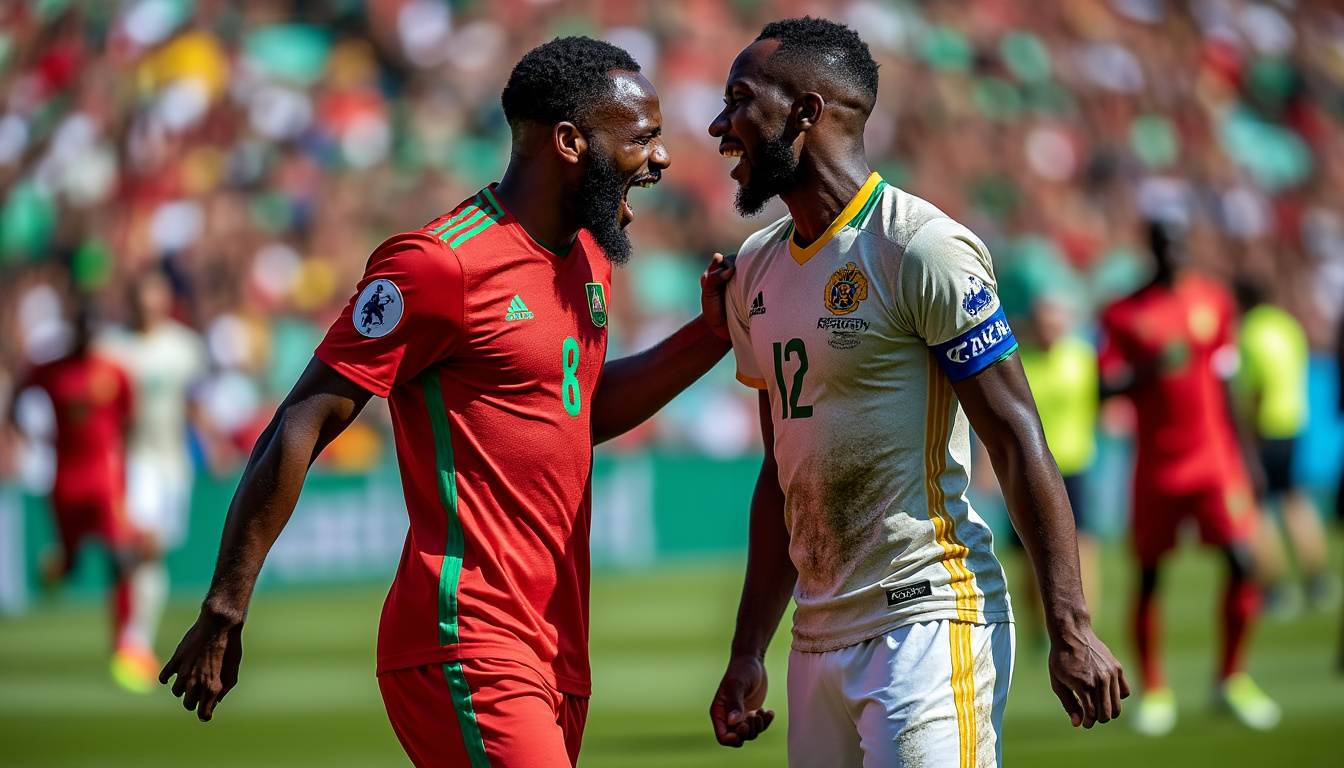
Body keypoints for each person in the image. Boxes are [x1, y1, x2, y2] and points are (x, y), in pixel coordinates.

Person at [158, 37, 735, 767]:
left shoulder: (587, 256)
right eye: (643, 139)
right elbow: (304, 415)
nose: (661, 160)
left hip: (556, 643)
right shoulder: (439, 266)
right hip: (466, 638)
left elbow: (575, 413)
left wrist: (710, 336)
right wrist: (225, 602)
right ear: (568, 141)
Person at [705, 18, 1126, 768]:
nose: (719, 123)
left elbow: (1014, 433)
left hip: (927, 621)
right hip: (814, 636)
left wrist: (1071, 625)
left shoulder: (919, 248)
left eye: (740, 99)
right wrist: (748, 650)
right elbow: (780, 471)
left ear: (806, 111)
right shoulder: (754, 269)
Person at [1099, 219, 1279, 736]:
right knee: (1152, 575)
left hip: (1215, 461)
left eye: (1180, 242)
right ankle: (1155, 688)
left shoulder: (1214, 302)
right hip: (1156, 465)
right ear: (1150, 248)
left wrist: (1247, 457)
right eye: (1163, 244)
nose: (1174, 252)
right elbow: (1105, 388)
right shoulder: (1123, 313)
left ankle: (1231, 678)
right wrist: (1147, 373)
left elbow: (1225, 384)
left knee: (1243, 563)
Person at [9, 300, 146, 690]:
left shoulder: (114, 371)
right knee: (71, 565)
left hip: (104, 481)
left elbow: (130, 419)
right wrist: (28, 436)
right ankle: (56, 565)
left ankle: (124, 647)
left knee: (121, 557)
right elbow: (19, 394)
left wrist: (124, 463)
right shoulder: (50, 369)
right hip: (66, 481)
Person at [99, 269, 210, 678]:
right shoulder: (111, 348)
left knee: (154, 551)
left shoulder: (183, 346)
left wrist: (211, 444)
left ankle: (131, 632)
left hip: (173, 462)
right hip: (132, 460)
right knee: (142, 544)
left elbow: (194, 400)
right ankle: (134, 643)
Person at [996, 293, 1101, 651]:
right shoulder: (1016, 361)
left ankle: (1087, 623)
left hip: (1075, 464)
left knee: (1083, 544)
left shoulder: (1083, 358)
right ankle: (1039, 625)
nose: (1049, 327)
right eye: (1043, 319)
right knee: (1029, 553)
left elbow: (1102, 397)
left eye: (1055, 319)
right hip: (1032, 467)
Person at [1232, 280, 1338, 617]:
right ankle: (1319, 579)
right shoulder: (1287, 325)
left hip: (1264, 428)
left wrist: (1248, 429)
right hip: (1293, 422)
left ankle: (1276, 588)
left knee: (1257, 508)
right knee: (1295, 499)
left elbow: (1256, 384)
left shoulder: (1248, 332)